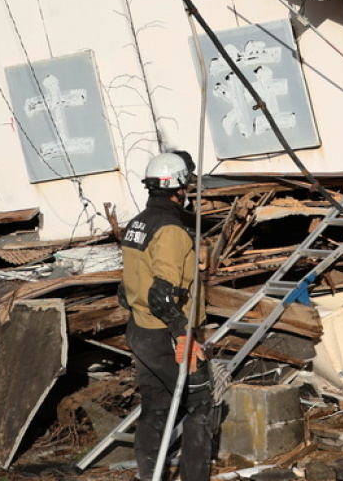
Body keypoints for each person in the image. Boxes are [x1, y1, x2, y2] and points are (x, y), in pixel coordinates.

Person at [120, 152, 213, 481]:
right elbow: (161, 297)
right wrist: (183, 334)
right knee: (200, 403)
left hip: (140, 330)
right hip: (166, 335)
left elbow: (125, 289)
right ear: (179, 188)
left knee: (156, 406)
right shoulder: (171, 231)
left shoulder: (137, 224)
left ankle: (150, 476)